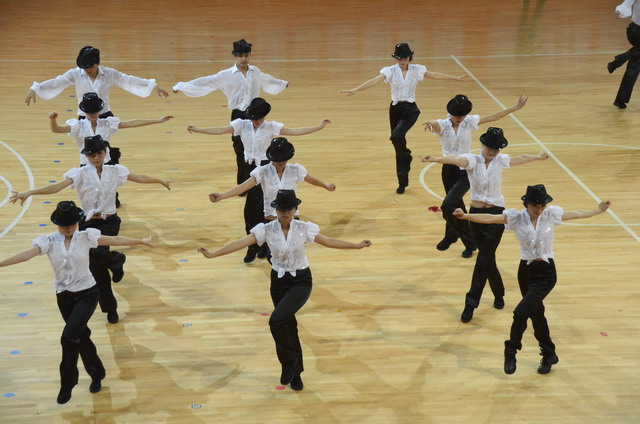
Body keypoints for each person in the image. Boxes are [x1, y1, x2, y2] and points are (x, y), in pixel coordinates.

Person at [198, 190, 372, 391]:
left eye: (289, 209)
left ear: (295, 209)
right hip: (278, 282)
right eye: (282, 209)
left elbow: (329, 241)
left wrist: (356, 246)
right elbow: (240, 243)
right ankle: (296, 373)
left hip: (301, 281)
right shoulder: (266, 229)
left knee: (276, 320)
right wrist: (213, 254)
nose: (285, 213)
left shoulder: (304, 228)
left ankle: (288, 363)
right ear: (276, 210)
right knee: (288, 326)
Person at [0, 201, 153, 404]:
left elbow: (115, 239)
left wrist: (140, 241)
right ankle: (97, 373)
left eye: (72, 224)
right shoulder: (48, 241)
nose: (69, 229)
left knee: (68, 337)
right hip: (64, 296)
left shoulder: (86, 237)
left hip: (87, 294)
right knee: (81, 337)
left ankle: (68, 382)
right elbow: (26, 255)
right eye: (64, 226)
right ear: (57, 224)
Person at [10, 135, 171, 324]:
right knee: (97, 269)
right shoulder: (79, 174)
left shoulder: (115, 171)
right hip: (87, 223)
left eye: (99, 153)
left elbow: (139, 177)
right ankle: (111, 301)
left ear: (105, 153)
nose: (95, 158)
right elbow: (56, 187)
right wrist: (30, 192)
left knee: (96, 255)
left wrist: (159, 180)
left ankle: (116, 260)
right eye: (91, 154)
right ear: (85, 156)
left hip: (110, 221)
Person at [453, 185, 611, 375]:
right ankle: (549, 353)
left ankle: (511, 349)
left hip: (546, 273)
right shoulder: (517, 218)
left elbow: (576, 214)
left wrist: (598, 210)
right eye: (536, 206)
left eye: (542, 205)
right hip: (526, 272)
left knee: (520, 312)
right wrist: (465, 216)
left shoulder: (551, 215)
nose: (540, 209)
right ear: (527, 204)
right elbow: (491, 218)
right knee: (536, 314)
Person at [421, 127, 548, 323]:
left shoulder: (501, 159)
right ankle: (499, 293)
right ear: (482, 144)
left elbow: (520, 158)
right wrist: (436, 159)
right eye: (490, 147)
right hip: (476, 216)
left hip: (496, 215)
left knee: (482, 260)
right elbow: (456, 160)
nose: (493, 152)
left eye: (496, 149)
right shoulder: (472, 160)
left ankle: (471, 303)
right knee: (488, 258)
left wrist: (537, 157)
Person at [188, 98, 330, 263]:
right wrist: (199, 130)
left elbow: (296, 131)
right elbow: (221, 129)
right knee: (251, 210)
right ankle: (253, 246)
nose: (256, 121)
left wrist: (319, 126)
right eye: (254, 118)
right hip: (251, 168)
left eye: (259, 118)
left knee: (269, 208)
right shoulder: (242, 124)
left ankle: (266, 248)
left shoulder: (271, 127)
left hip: (268, 164)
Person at [342, 42, 467, 194]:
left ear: (409, 58)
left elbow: (434, 75)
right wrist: (356, 89)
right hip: (395, 109)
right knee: (397, 145)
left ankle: (407, 155)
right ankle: (402, 179)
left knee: (396, 136)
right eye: (399, 58)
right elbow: (375, 80)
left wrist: (456, 78)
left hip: (411, 110)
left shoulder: (417, 69)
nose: (402, 61)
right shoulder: (390, 71)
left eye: (405, 58)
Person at [422, 95, 528, 258]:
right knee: (454, 206)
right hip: (449, 168)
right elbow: (435, 125)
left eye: (462, 115)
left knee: (448, 204)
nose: (460, 118)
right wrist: (432, 123)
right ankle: (456, 237)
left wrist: (515, 108)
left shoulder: (469, 122)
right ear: (450, 113)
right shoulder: (442, 124)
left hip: (467, 167)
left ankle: (463, 240)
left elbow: (494, 117)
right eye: (457, 115)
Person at [173, 39, 288, 186]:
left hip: (256, 114)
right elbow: (206, 81)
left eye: (246, 55)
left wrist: (282, 84)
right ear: (235, 56)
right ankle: (243, 184)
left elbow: (267, 80)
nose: (244, 59)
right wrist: (181, 86)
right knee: (240, 150)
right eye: (240, 56)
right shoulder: (225, 75)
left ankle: (258, 183)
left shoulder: (255, 72)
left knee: (259, 148)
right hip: (239, 115)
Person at [25, 46, 169, 113]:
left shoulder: (109, 74)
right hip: (84, 115)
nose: (86, 70)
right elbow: (58, 82)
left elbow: (128, 80)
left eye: (90, 67)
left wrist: (152, 86)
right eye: (84, 67)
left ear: (97, 63)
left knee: (103, 152)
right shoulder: (75, 74)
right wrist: (35, 88)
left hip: (105, 114)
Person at [49, 92, 173, 166]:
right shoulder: (78, 125)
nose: (93, 114)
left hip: (106, 163)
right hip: (86, 165)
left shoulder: (107, 123)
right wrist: (53, 120)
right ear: (84, 112)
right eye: (90, 112)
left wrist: (157, 120)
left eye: (95, 111)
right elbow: (56, 129)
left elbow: (131, 123)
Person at [607, 0, 640, 109]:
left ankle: (616, 63)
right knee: (634, 65)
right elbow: (627, 3)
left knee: (636, 57)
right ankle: (620, 99)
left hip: (634, 30)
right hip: (637, 32)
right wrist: (619, 11)